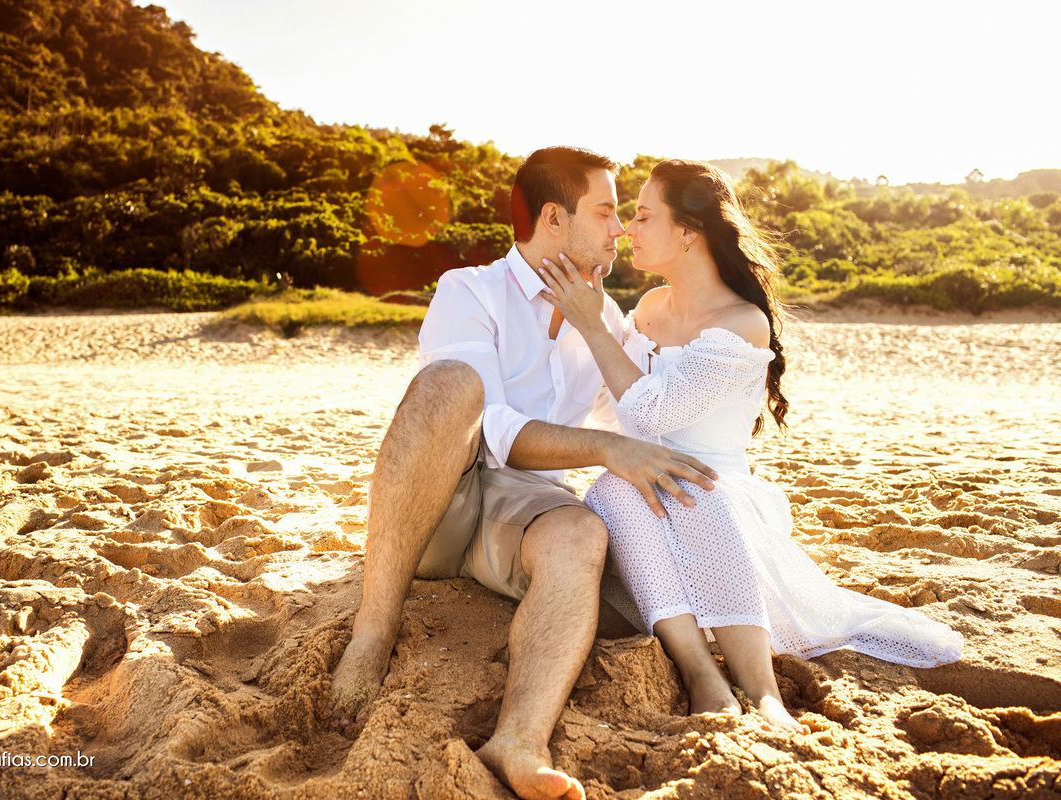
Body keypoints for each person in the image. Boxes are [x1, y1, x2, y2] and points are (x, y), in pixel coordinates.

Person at [328, 147, 718, 800]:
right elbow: (494, 427)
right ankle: (372, 631)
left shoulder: (604, 318)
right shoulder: (469, 290)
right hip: (440, 501)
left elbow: (637, 422)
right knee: (451, 385)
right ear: (554, 219)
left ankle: (519, 739)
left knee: (583, 534)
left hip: (524, 514)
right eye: (605, 211)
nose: (620, 229)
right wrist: (606, 449)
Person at [538, 159, 963, 734]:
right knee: (614, 487)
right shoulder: (648, 309)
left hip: (717, 493)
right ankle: (700, 673)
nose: (627, 229)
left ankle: (763, 690)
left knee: (692, 488)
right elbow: (616, 411)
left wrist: (593, 326)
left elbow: (654, 412)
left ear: (688, 232)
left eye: (642, 215)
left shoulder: (742, 323)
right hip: (642, 485)